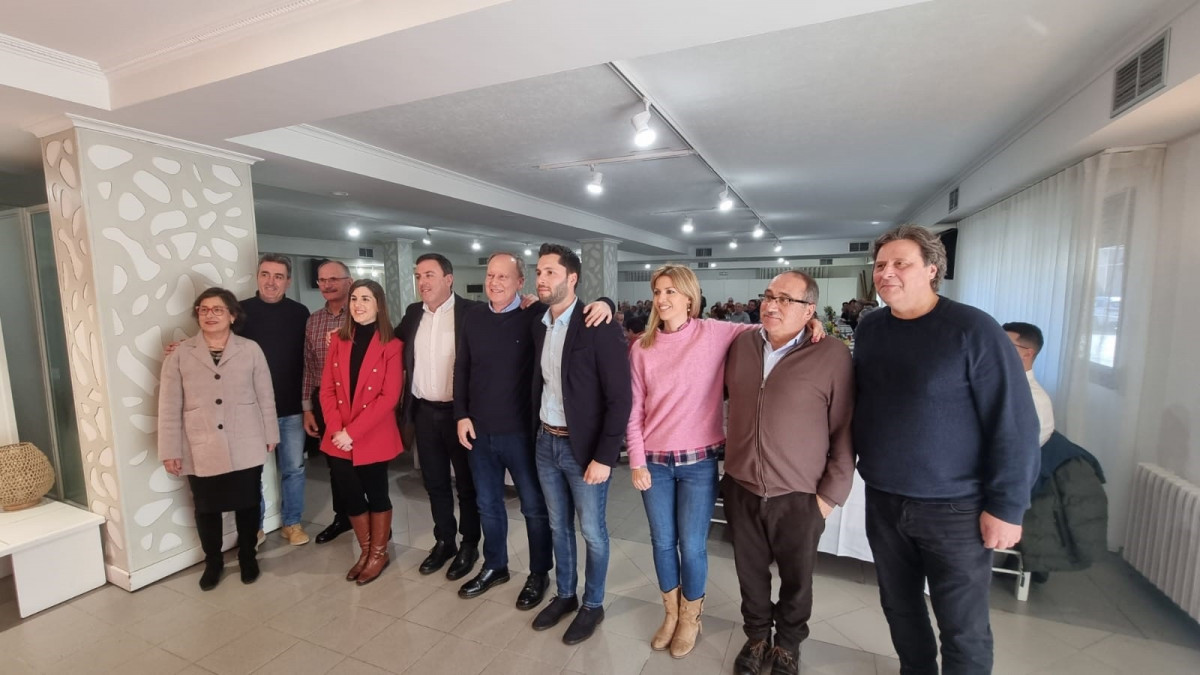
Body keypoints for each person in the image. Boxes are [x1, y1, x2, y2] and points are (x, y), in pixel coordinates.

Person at [855, 225, 1039, 674]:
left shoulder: (973, 329)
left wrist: (1009, 506)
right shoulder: (872, 327)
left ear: (932, 270)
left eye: (902, 263)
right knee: (899, 610)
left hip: (954, 508)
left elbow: (1014, 422)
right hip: (883, 497)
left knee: (962, 626)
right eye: (881, 265)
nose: (887, 273)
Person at [453, 251, 612, 608]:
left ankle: (539, 573)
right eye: (490, 276)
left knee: (536, 510)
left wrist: (605, 300)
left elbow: (573, 305)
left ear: (519, 283)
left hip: (523, 433)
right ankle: (495, 565)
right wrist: (461, 413)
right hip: (478, 431)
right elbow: (461, 367)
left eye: (503, 277)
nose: (494, 283)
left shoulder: (534, 316)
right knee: (488, 504)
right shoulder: (473, 317)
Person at [722, 271, 854, 675]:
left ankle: (788, 646)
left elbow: (845, 429)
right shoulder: (741, 343)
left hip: (799, 495)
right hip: (742, 485)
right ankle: (758, 637)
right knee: (750, 574)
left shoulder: (831, 354)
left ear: (809, 310)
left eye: (785, 299)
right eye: (767, 296)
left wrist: (829, 497)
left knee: (798, 581)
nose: (771, 305)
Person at [627, 265, 759, 658]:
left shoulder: (714, 332)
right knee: (663, 542)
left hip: (699, 462)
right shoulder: (642, 347)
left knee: (693, 545)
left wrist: (811, 326)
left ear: (689, 297)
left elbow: (767, 330)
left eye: (670, 291)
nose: (662, 299)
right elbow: (634, 411)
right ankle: (670, 613)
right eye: (657, 292)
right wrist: (636, 460)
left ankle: (690, 617)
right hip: (654, 461)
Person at [530, 243, 631, 645]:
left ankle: (594, 604)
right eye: (538, 271)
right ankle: (565, 595)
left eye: (551, 272)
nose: (542, 278)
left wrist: (605, 456)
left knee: (592, 530)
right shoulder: (538, 323)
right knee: (558, 526)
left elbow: (620, 397)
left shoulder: (598, 325)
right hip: (545, 442)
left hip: (583, 448)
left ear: (572, 278)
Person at [158, 288, 278, 591]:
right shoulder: (180, 354)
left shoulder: (250, 349)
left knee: (248, 503)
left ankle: (248, 555)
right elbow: (169, 405)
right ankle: (213, 561)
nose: (210, 315)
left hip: (246, 439)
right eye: (204, 309)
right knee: (206, 507)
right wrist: (170, 449)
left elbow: (265, 395)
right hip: (201, 443)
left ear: (232, 315)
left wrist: (270, 434)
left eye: (218, 310)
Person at [396, 253, 483, 580]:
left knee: (467, 485)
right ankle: (444, 540)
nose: (423, 282)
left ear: (449, 279)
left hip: (460, 415)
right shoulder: (413, 313)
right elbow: (388, 342)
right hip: (423, 411)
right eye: (419, 276)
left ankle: (470, 544)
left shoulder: (472, 313)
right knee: (434, 483)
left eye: (430, 275)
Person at [319, 279, 404, 585]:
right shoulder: (339, 341)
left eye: (366, 299)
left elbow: (389, 397)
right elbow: (327, 390)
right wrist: (336, 430)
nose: (358, 304)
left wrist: (352, 432)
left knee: (377, 493)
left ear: (378, 304)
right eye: (354, 298)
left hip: (371, 434)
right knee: (351, 496)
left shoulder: (392, 345)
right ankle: (367, 551)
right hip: (338, 436)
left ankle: (379, 554)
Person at [239, 254, 311, 546]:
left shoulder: (300, 312)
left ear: (288, 281)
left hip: (291, 408)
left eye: (278, 276)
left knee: (294, 469)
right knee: (252, 472)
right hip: (251, 410)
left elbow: (309, 359)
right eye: (266, 274)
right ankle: (254, 528)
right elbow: (216, 342)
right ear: (257, 277)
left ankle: (291, 523)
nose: (271, 281)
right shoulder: (240, 312)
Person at [303, 260, 355, 544]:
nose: (327, 285)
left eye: (334, 279)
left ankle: (374, 519)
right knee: (336, 465)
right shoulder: (313, 320)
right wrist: (306, 408)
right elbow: (309, 367)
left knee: (365, 466)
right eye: (322, 280)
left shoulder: (362, 314)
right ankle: (342, 517)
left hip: (359, 404)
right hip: (325, 403)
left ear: (349, 281)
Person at [1003, 322, 1055, 446]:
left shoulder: (1033, 399)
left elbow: (1017, 449)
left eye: (1006, 346)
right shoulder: (997, 382)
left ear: (1027, 354)